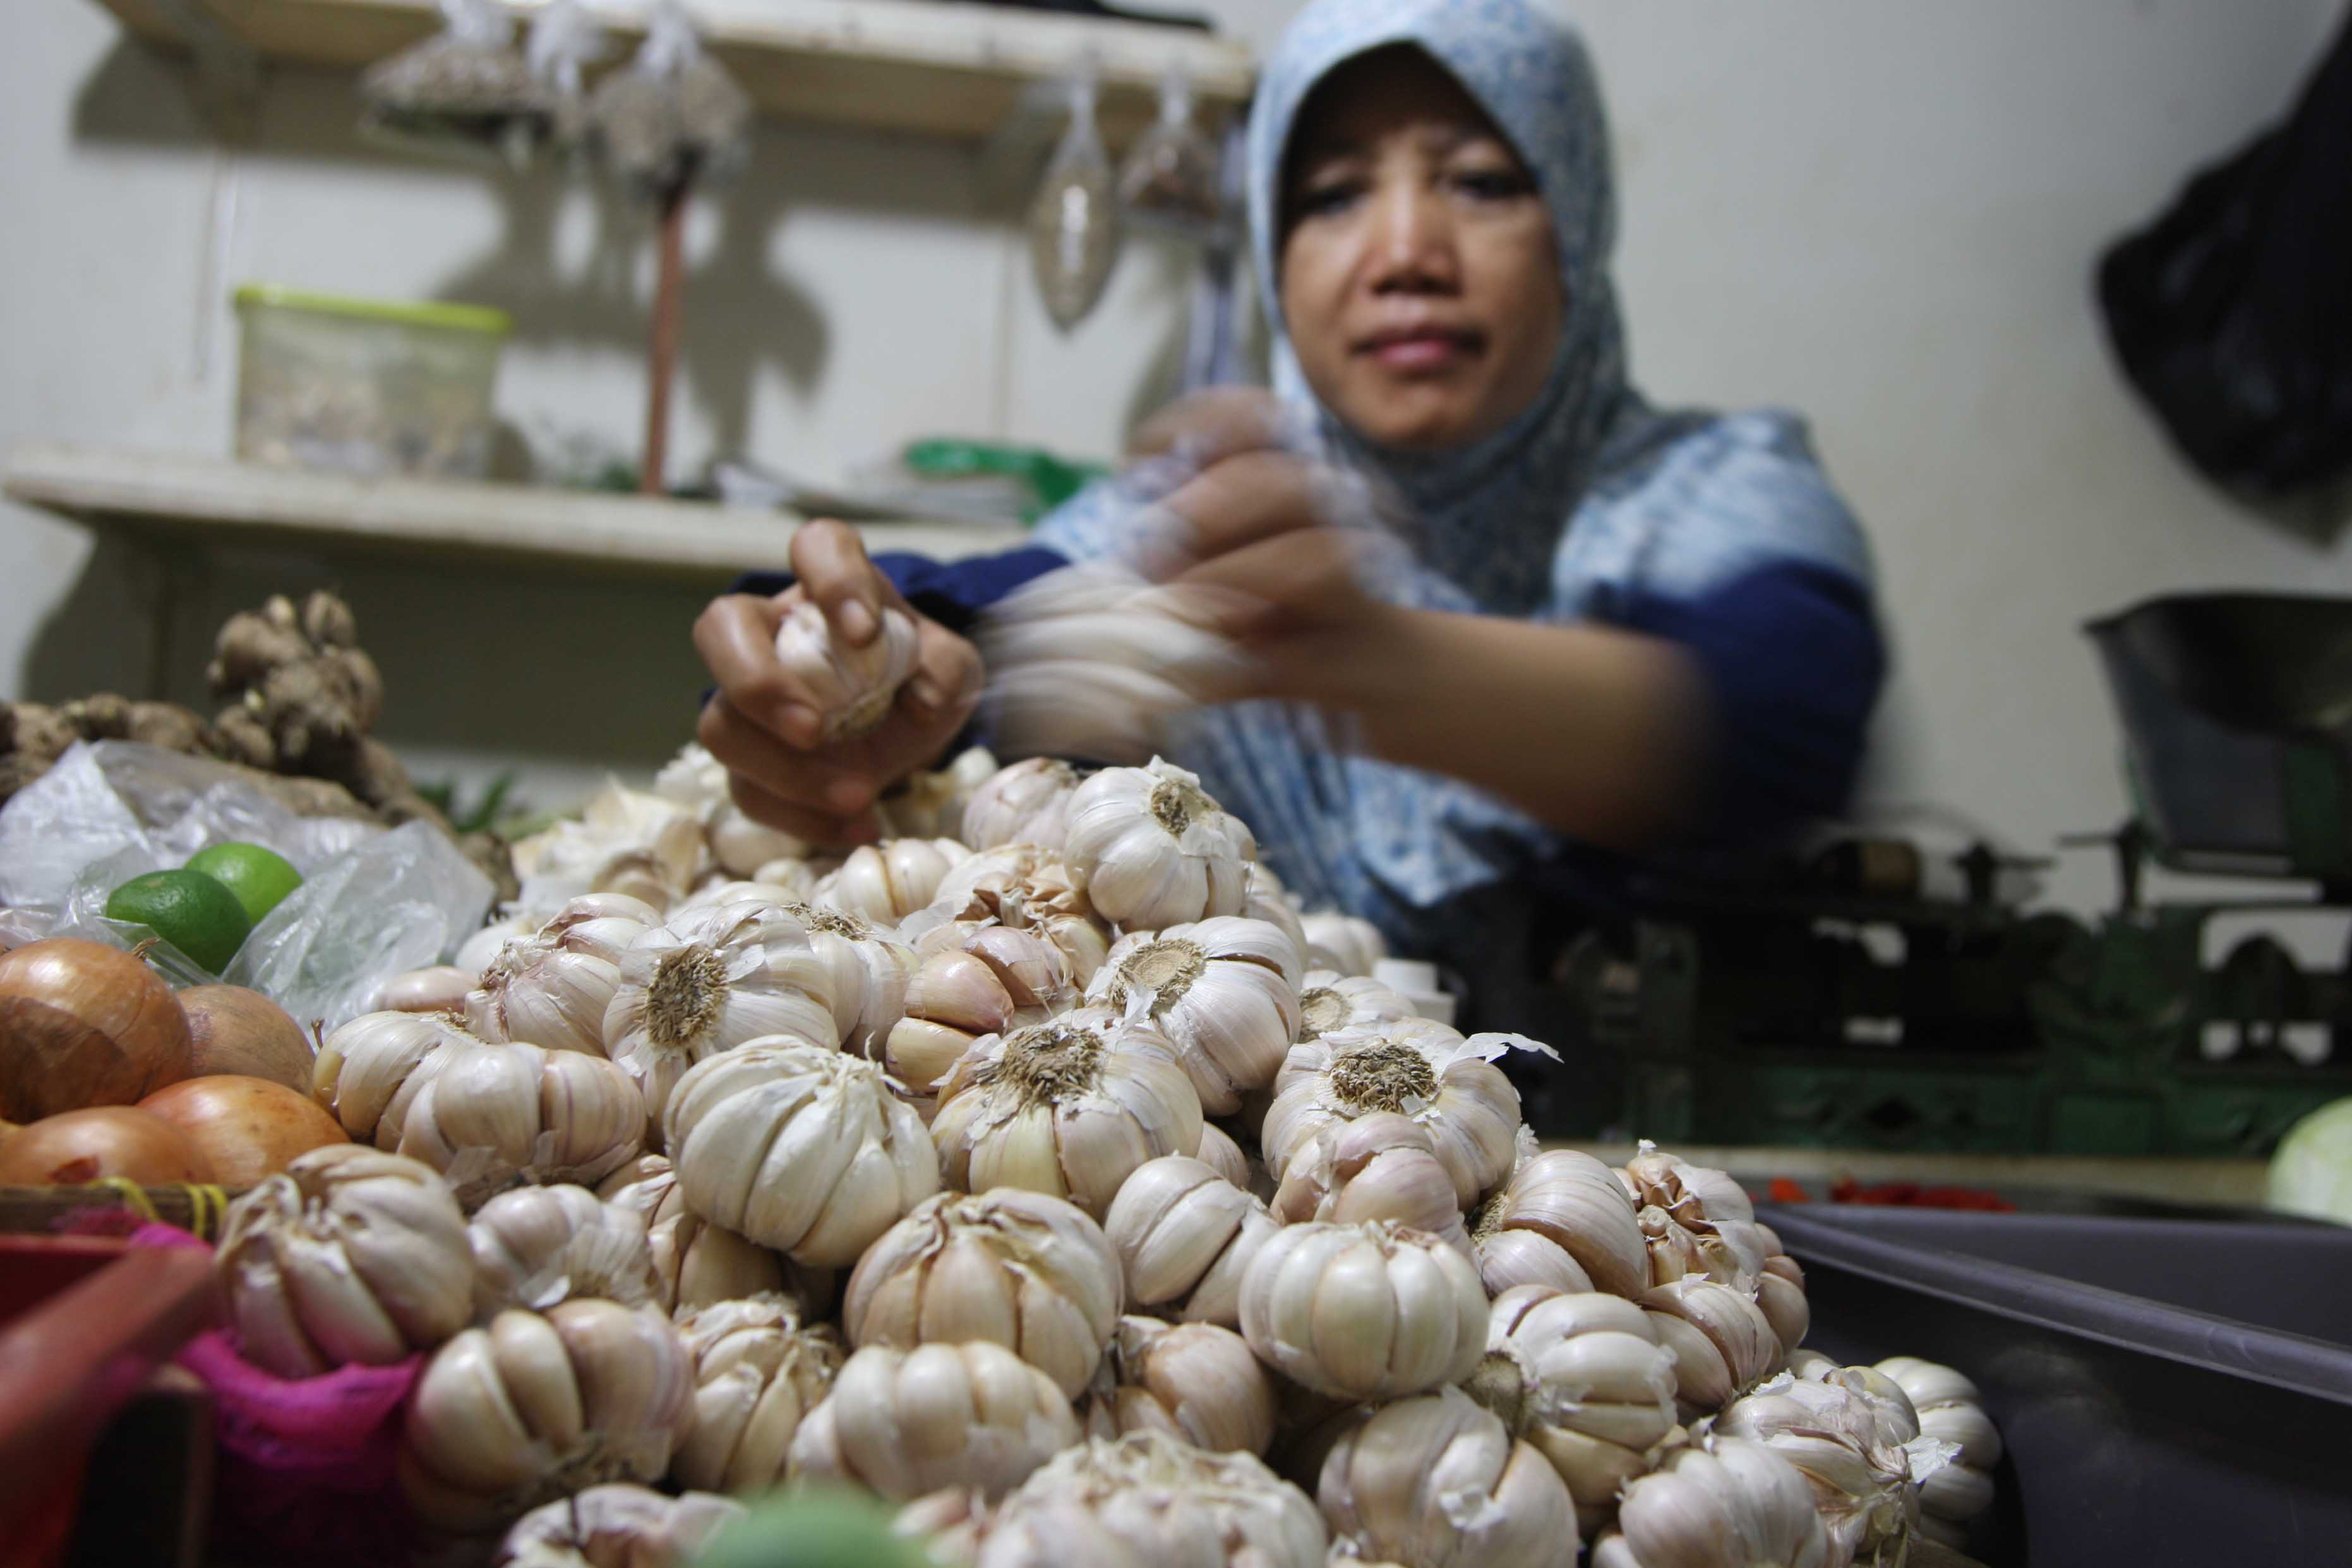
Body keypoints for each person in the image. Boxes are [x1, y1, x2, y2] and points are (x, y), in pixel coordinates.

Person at [693, 0, 1884, 1129]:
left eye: (1480, 182)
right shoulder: (1235, 500)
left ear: (1576, 219)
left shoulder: (1711, 492)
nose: (1406, 253)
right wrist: (867, 661)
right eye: (1333, 195)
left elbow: (1779, 721)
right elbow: (1007, 610)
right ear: (1271, 247)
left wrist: (1374, 663)